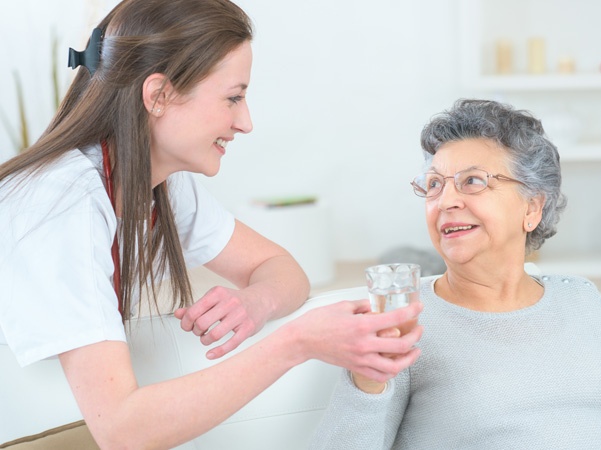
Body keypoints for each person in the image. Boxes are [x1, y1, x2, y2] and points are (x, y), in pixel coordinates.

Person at [0, 0, 424, 448]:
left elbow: (281, 268)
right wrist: (297, 343)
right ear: (158, 95)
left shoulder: (158, 182)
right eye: (233, 97)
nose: (245, 122)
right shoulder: (61, 203)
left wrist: (256, 302)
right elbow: (122, 431)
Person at [310, 99, 601, 449]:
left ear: (532, 206)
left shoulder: (581, 296)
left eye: (472, 181)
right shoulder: (403, 320)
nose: (445, 201)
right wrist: (367, 381)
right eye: (434, 185)